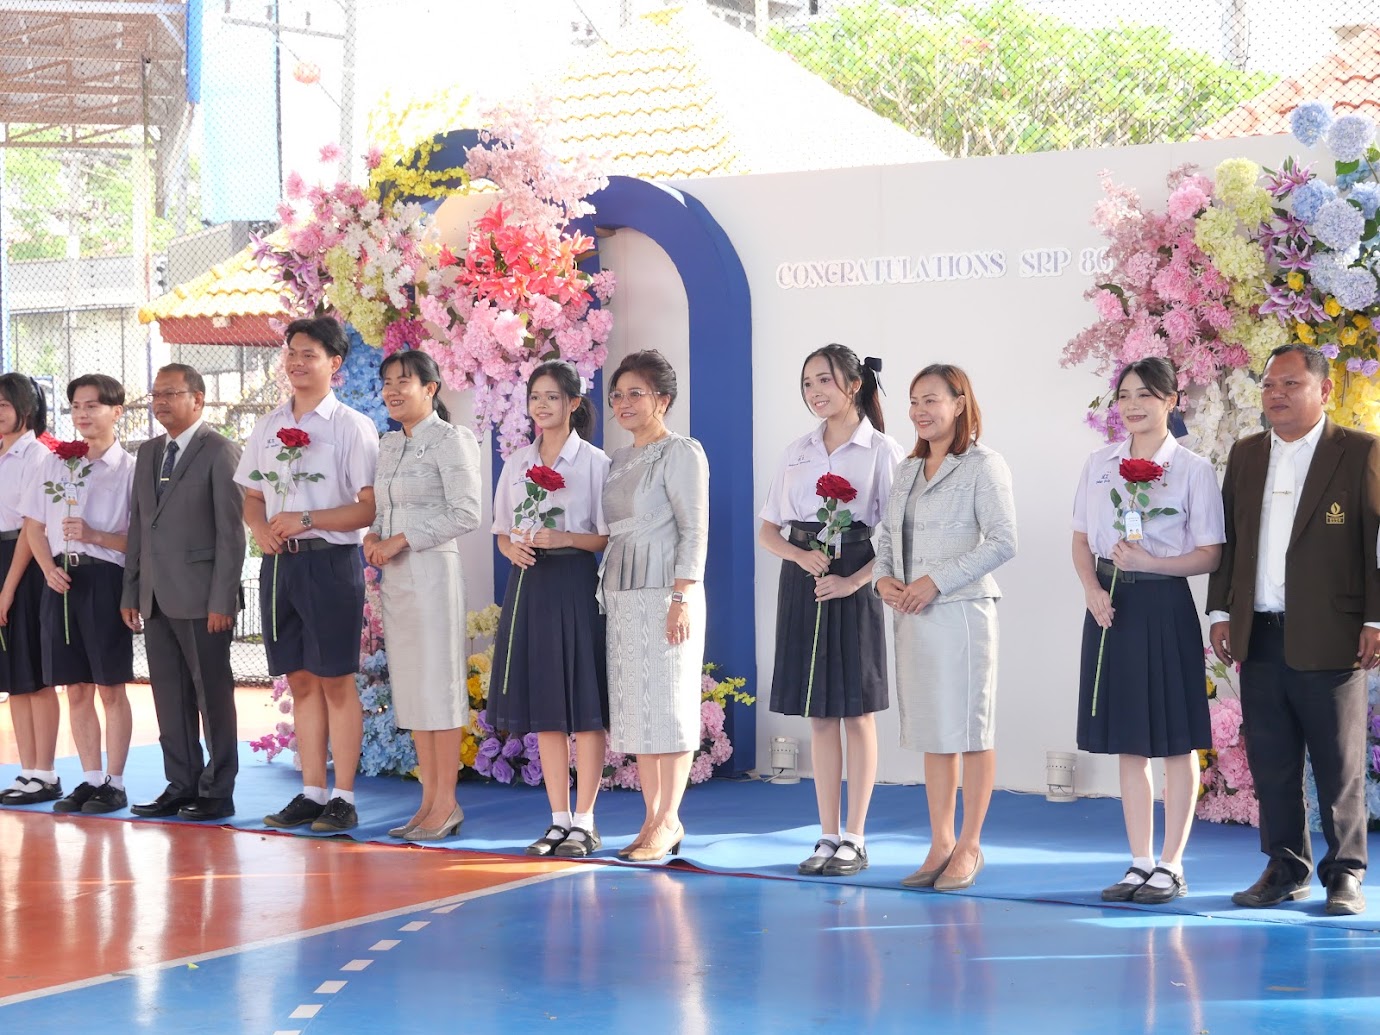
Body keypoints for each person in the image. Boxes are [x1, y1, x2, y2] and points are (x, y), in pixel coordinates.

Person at [1207, 344, 1380, 916]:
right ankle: (1285, 867)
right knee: (1272, 762)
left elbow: (1377, 544)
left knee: (1339, 765)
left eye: (1290, 383)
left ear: (1324, 390)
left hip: (1334, 634)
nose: (1275, 394)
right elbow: (1230, 539)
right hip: (1259, 633)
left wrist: (1376, 618)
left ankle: (1345, 873)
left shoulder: (1359, 451)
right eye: (1268, 384)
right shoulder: (1247, 453)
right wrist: (1221, 611)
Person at [1072, 358, 1224, 903]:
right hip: (1110, 607)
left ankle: (1172, 865)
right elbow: (1080, 538)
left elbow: (1210, 554)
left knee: (1176, 740)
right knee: (1129, 741)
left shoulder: (1193, 469)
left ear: (1172, 400)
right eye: (1125, 395)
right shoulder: (1099, 464)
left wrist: (1151, 563)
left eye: (1146, 394)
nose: (1133, 405)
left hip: (1163, 605)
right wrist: (1091, 590)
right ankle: (1139, 862)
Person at [759, 345, 902, 877]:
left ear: (854, 384)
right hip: (805, 583)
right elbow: (768, 530)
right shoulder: (796, 451)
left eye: (824, 380)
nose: (815, 392)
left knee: (857, 711)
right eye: (807, 383)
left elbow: (897, 537)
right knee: (819, 714)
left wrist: (854, 582)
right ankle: (826, 833)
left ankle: (856, 838)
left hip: (855, 581)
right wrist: (801, 558)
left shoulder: (882, 450)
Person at [234, 317, 379, 833]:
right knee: (298, 679)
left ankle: (344, 797)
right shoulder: (268, 425)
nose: (296, 362)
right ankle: (313, 791)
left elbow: (368, 508)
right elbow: (252, 497)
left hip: (331, 563)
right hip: (280, 564)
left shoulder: (351, 426)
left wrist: (308, 519)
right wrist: (260, 529)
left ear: (334, 364)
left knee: (335, 679)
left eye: (309, 354)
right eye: (291, 352)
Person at [874, 364, 1016, 892]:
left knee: (971, 732)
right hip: (913, 614)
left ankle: (970, 845)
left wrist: (936, 581)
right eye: (914, 401)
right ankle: (940, 843)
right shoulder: (907, 469)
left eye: (931, 400)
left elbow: (1003, 541)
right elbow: (886, 536)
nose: (920, 411)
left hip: (962, 614)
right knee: (935, 733)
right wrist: (883, 579)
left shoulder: (984, 465)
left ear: (959, 403)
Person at [490, 360, 611, 858]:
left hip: (574, 583)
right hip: (530, 585)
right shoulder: (516, 463)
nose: (541, 405)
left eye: (552, 397)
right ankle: (558, 820)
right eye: (535, 397)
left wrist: (564, 539)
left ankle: (586, 822)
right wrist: (511, 549)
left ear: (574, 404)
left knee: (583, 706)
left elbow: (606, 536)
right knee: (547, 709)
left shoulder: (595, 463)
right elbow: (501, 530)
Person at [121, 364, 247, 822]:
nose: (160, 402)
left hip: (203, 600)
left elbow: (232, 535)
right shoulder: (149, 452)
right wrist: (131, 590)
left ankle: (218, 791)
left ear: (198, 399)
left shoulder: (221, 451)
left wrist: (222, 600)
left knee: (212, 697)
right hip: (155, 597)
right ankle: (181, 784)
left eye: (170, 393)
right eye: (155, 394)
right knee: (169, 698)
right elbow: (140, 526)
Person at [364, 349, 480, 842]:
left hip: (432, 573)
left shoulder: (452, 440)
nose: (392, 391)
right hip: (396, 579)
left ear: (430, 388)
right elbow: (381, 510)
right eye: (387, 382)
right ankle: (429, 801)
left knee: (440, 688)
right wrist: (373, 536)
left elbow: (467, 511)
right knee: (413, 690)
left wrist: (402, 540)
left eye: (403, 381)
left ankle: (447, 803)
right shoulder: (390, 444)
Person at [600, 350, 709, 862]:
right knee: (639, 710)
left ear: (662, 399)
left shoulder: (681, 452)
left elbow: (694, 530)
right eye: (618, 394)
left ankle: (669, 818)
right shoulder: (618, 460)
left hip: (668, 592)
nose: (624, 403)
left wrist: (681, 597)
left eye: (636, 393)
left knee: (670, 705)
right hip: (622, 595)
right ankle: (650, 818)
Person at [20, 373, 136, 814]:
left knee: (110, 687)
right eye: (76, 406)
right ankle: (90, 779)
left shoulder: (130, 469)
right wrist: (48, 569)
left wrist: (95, 536)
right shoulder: (54, 464)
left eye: (93, 405)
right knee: (76, 688)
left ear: (116, 411)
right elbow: (34, 526)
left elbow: (139, 541)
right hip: (60, 582)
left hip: (105, 580)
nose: (82, 414)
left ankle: (116, 783)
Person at [0, 375, 62, 805]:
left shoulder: (37, 455)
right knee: (15, 678)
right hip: (2, 561)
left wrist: (7, 589)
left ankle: (47, 772)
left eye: (5, 404)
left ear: (26, 408)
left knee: (37, 676)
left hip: (24, 564)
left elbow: (29, 528)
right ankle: (27, 771)